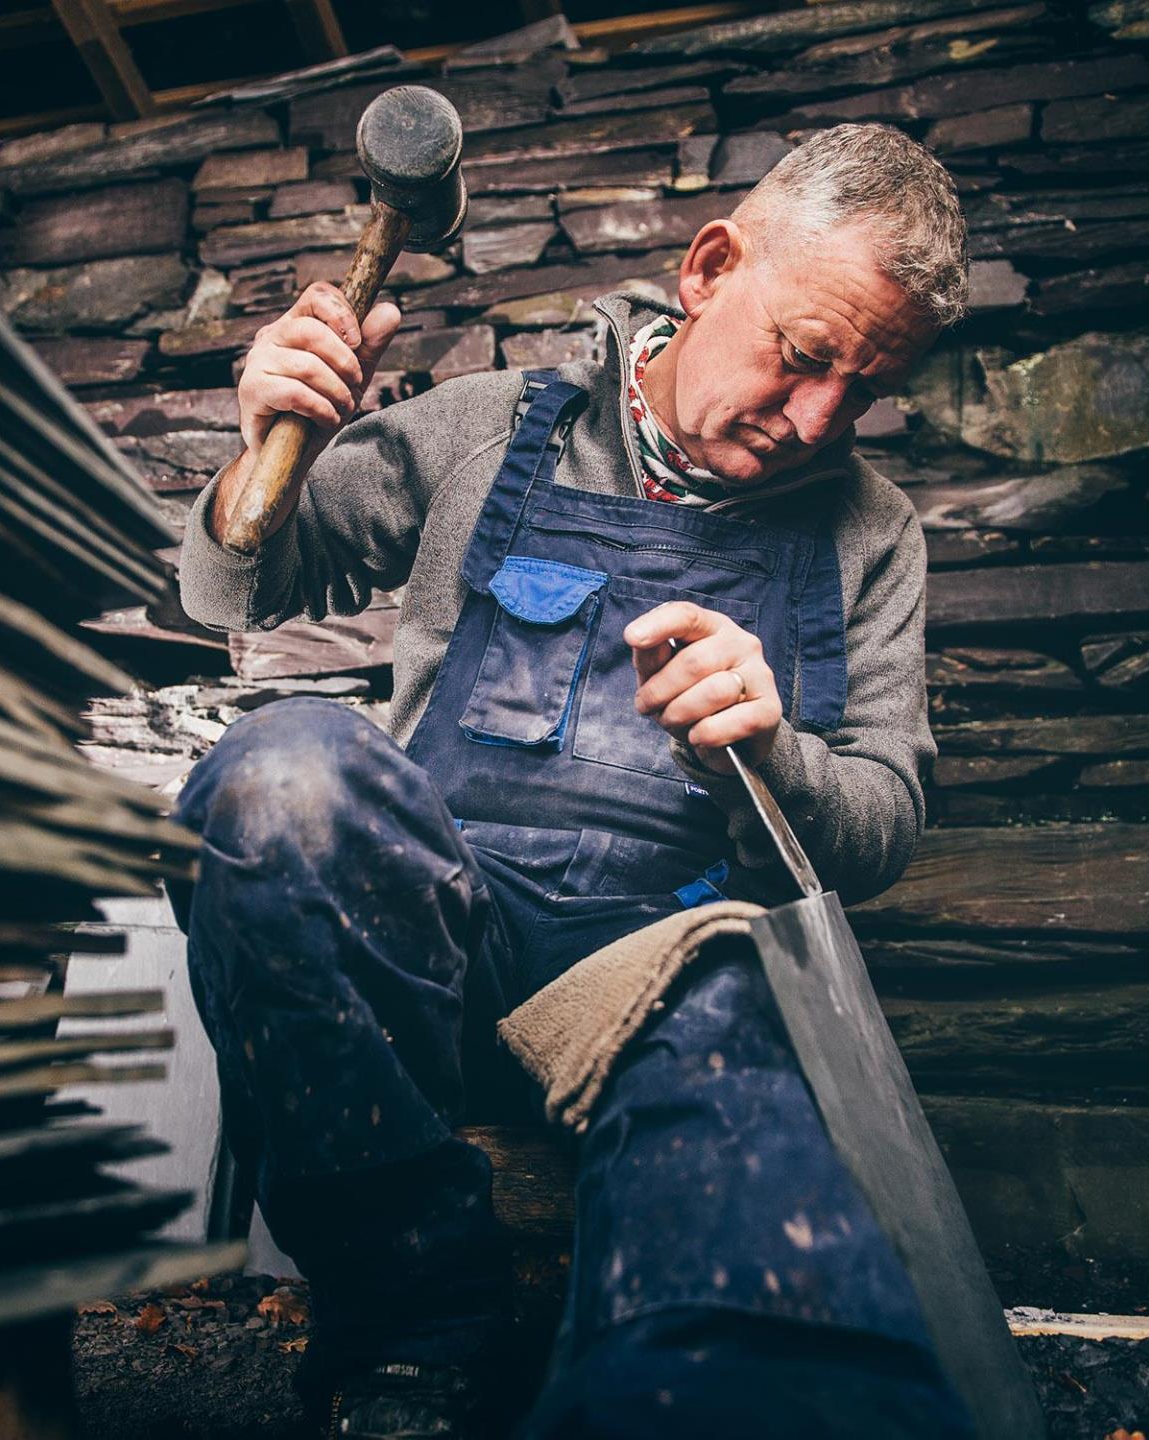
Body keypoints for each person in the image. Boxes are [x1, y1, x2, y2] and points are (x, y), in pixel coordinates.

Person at [167, 123, 973, 1438]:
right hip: (428, 940)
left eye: (862, 391)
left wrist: (777, 755)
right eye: (807, 356)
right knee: (281, 775)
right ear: (711, 268)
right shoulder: (491, 429)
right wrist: (264, 444)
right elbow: (236, 587)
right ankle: (412, 1331)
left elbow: (880, 828)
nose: (822, 417)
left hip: (655, 983)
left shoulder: (871, 534)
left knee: (740, 998)